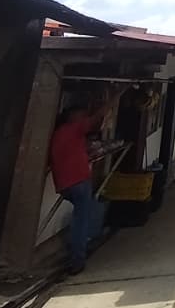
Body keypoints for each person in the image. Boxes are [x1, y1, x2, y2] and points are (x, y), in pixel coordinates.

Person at [49, 91, 117, 274]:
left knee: (87, 212)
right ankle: (77, 258)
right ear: (72, 116)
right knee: (81, 220)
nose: (83, 117)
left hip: (64, 184)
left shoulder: (60, 133)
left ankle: (82, 245)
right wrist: (115, 95)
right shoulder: (74, 128)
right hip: (78, 181)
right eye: (81, 114)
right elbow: (97, 117)